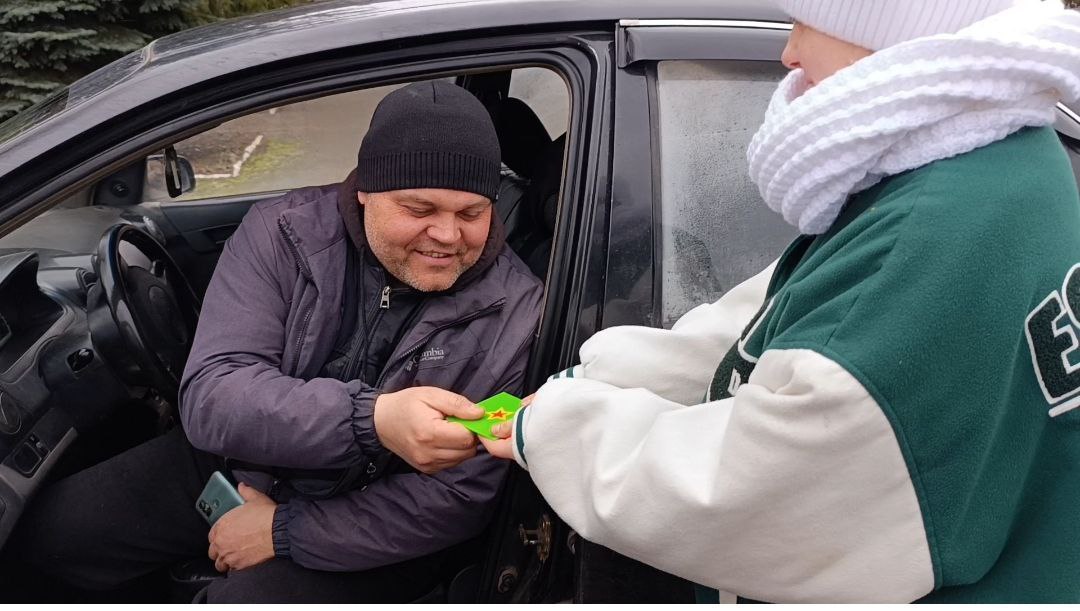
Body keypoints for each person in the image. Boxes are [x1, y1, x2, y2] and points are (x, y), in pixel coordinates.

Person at [483, 0, 1080, 603]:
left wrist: (558, 431)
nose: (789, 53)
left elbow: (750, 492)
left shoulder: (936, 232)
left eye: (808, 24)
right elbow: (780, 312)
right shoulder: (995, 163)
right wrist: (595, 378)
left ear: (891, 31)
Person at [13, 81, 544, 602]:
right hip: (242, 460)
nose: (448, 235)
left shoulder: (517, 309)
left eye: (471, 213)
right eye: (420, 210)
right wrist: (372, 420)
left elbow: (459, 497)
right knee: (50, 538)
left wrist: (283, 530)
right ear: (365, 191)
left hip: (380, 514)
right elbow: (214, 395)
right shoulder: (284, 233)